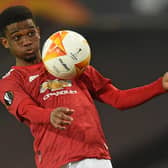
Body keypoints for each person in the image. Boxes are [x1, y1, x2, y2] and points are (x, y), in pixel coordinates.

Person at [0, 5, 168, 168]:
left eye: (30, 33)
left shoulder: (73, 64)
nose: (26, 41)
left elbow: (118, 99)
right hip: (54, 161)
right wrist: (49, 115)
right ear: (5, 42)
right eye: (17, 37)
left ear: (38, 32)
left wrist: (159, 85)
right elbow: (25, 109)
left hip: (93, 157)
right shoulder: (11, 81)